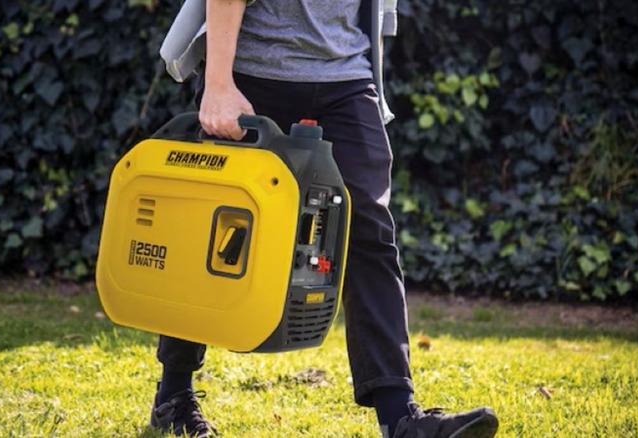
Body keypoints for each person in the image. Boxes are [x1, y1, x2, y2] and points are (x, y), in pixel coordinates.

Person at [150, 1, 499, 437]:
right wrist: (218, 83)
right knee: (215, 228)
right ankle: (174, 395)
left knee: (368, 229)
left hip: (347, 77)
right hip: (256, 72)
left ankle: (400, 418)